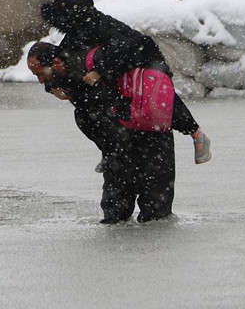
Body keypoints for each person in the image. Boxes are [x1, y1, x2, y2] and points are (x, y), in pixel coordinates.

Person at [40, 0, 211, 164]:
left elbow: (120, 47)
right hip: (119, 71)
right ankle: (111, 151)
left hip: (144, 61)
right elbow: (58, 62)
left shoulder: (99, 24)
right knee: (89, 113)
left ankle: (196, 133)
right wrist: (52, 87)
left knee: (160, 102)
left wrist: (99, 71)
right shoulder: (75, 34)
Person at [27, 41, 174, 223]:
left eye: (41, 74)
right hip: (117, 147)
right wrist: (51, 86)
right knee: (115, 213)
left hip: (148, 134)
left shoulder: (94, 62)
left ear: (57, 63)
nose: (41, 81)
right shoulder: (63, 75)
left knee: (156, 215)